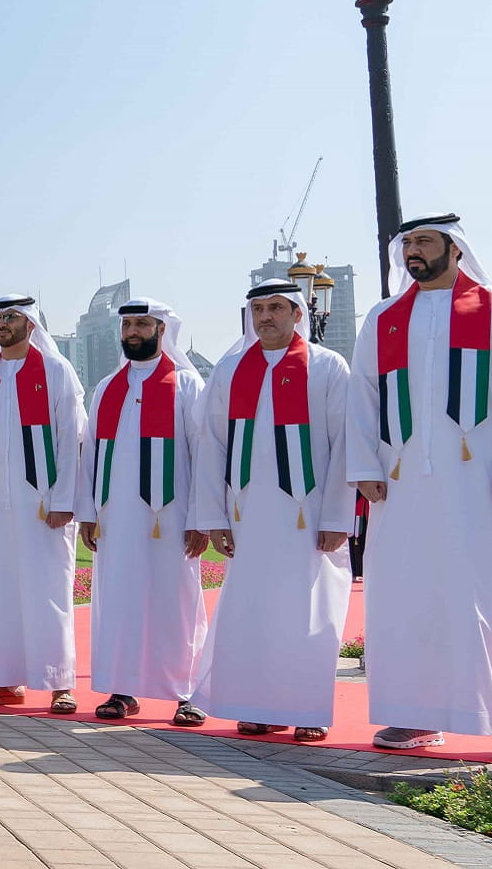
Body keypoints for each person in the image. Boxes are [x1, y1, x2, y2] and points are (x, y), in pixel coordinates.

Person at [347, 214, 492, 754]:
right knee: (405, 596)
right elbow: (363, 395)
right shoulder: (384, 316)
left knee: (490, 593)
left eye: (424, 241)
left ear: (455, 249)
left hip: (481, 480)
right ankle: (413, 715)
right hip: (401, 481)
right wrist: (364, 464)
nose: (413, 250)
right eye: (407, 242)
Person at [191, 281, 355, 741]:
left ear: (297, 313)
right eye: (258, 309)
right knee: (254, 612)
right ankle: (257, 705)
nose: (265, 317)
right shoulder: (229, 370)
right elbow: (212, 446)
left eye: (276, 308)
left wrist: (337, 517)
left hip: (309, 514)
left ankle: (308, 710)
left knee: (310, 611)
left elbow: (344, 445)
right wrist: (214, 518)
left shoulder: (326, 367)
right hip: (246, 516)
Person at [76, 297, 211, 726]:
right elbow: (91, 455)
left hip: (172, 518)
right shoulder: (107, 387)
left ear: (161, 330)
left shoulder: (187, 386)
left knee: (178, 602)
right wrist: (88, 513)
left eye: (142, 324)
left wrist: (201, 517)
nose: (133, 331)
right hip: (116, 519)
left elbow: (204, 455)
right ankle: (123, 689)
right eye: (128, 324)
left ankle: (187, 692)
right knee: (119, 601)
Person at [0, 296, 86, 710]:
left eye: (11, 317)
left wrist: (65, 498)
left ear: (30, 324)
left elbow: (71, 440)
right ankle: (2, 680)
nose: (2, 324)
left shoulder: (55, 371)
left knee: (49, 590)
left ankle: (59, 682)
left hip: (43, 503)